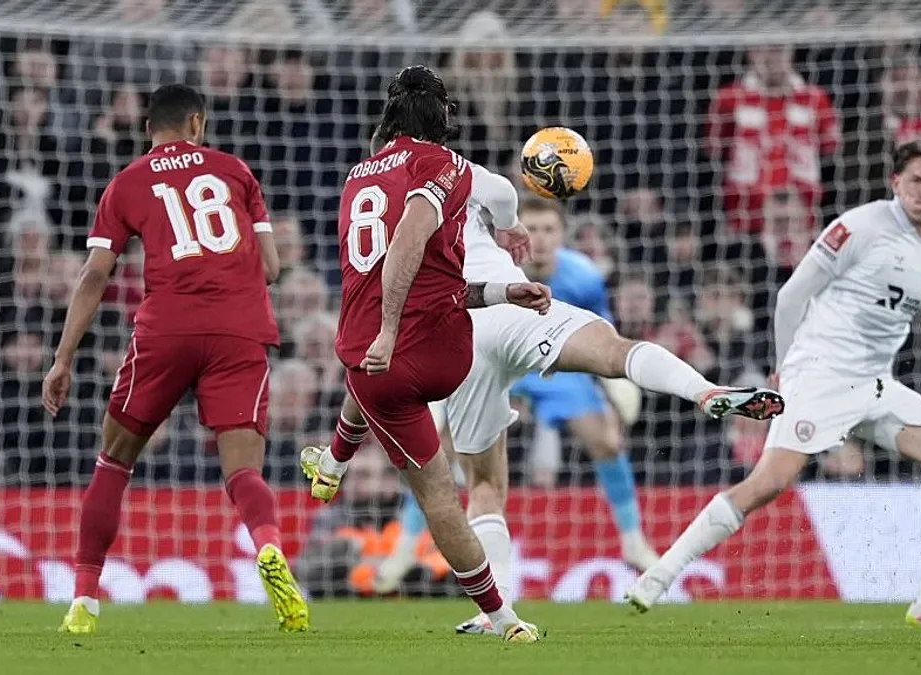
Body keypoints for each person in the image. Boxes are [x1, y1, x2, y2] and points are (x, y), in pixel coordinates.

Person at [309, 139, 785, 636]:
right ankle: (703, 390)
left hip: (458, 333)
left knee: (481, 482)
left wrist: (337, 457)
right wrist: (511, 226)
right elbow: (500, 196)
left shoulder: (373, 208)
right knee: (614, 352)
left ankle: (496, 610)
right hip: (516, 310)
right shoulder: (456, 172)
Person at [626, 139, 921, 628]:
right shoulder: (858, 227)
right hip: (820, 373)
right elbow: (791, 294)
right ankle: (659, 575)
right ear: (896, 183)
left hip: (873, 385)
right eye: (916, 180)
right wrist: (784, 365)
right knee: (769, 483)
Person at [299, 65, 549, 643]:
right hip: (438, 349)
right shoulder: (447, 164)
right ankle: (334, 462)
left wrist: (385, 331)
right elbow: (414, 243)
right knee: (448, 479)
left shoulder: (358, 177)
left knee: (437, 493)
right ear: (444, 117)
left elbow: (402, 264)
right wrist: (504, 273)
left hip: (373, 365)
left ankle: (503, 619)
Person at [41, 84, 303, 634]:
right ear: (196, 123)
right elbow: (274, 267)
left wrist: (63, 358)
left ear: (147, 130)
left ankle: (84, 602)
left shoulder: (128, 182)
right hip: (240, 330)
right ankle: (270, 548)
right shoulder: (236, 172)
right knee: (243, 472)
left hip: (166, 330)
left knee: (114, 459)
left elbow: (95, 274)